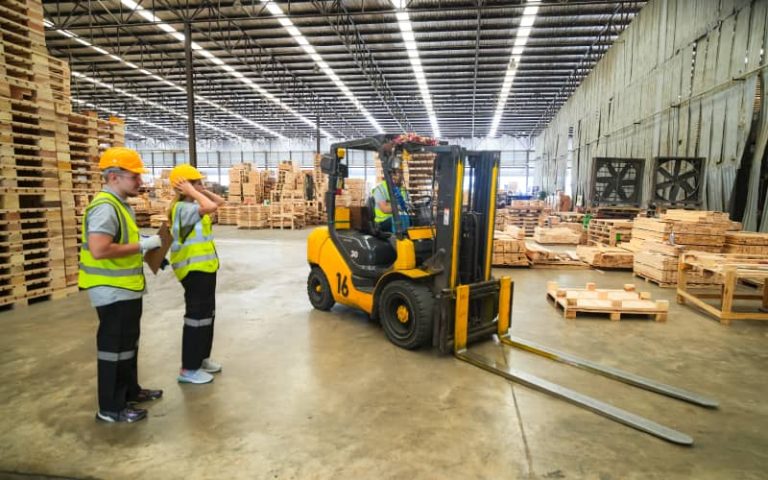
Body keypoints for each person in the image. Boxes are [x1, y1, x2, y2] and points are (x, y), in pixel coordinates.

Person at [79, 147, 164, 423]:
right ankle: (111, 409)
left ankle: (130, 391)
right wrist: (141, 245)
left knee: (128, 344)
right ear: (114, 177)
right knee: (113, 349)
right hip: (111, 290)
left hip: (126, 287)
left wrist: (147, 250)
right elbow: (100, 249)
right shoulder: (105, 207)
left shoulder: (121, 205)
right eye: (134, 176)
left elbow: (122, 241)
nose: (140, 182)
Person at [167, 164, 225, 385]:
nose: (202, 185)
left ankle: (201, 359)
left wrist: (198, 190)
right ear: (184, 187)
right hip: (192, 270)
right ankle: (188, 368)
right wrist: (192, 192)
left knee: (207, 315)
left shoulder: (193, 203)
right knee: (195, 319)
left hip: (206, 268)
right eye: (197, 182)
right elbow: (211, 207)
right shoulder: (183, 207)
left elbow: (219, 203)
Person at [372, 167, 411, 232]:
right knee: (400, 222)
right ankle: (401, 238)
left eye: (400, 176)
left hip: (400, 217)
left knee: (415, 220)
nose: (399, 178)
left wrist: (390, 204)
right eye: (396, 176)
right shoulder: (380, 190)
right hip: (383, 221)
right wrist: (400, 205)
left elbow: (408, 206)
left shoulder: (403, 190)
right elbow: (385, 209)